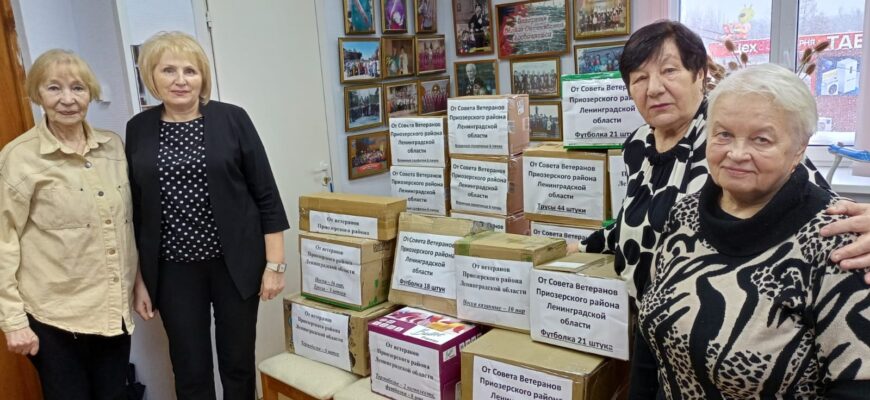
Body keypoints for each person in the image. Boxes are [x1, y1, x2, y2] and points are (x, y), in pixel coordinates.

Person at [579, 20, 870, 303]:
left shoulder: (727, 136)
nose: (653, 88)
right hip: (640, 314)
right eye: (640, 78)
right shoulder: (638, 143)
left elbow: (818, 204)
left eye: (669, 71)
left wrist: (862, 227)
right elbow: (636, 222)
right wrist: (579, 246)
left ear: (699, 75)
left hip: (719, 312)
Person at [636, 63, 870, 398]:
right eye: (723, 134)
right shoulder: (684, 215)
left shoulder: (838, 240)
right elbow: (649, 345)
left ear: (800, 148)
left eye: (761, 139)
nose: (736, 153)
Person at [125, 31, 289, 399]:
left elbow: (266, 193)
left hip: (235, 266)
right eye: (168, 70)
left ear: (203, 77)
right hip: (172, 271)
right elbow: (135, 211)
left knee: (237, 363)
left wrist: (275, 264)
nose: (180, 80)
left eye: (190, 70)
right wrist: (139, 281)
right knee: (189, 368)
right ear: (152, 77)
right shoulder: (138, 129)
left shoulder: (232, 119)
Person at [0, 49, 137, 400]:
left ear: (90, 93)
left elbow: (127, 226)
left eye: (78, 88)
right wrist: (13, 321)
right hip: (53, 317)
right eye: (54, 88)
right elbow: (3, 242)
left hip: (112, 311)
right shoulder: (18, 158)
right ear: (37, 94)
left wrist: (140, 284)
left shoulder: (113, 147)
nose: (67, 99)